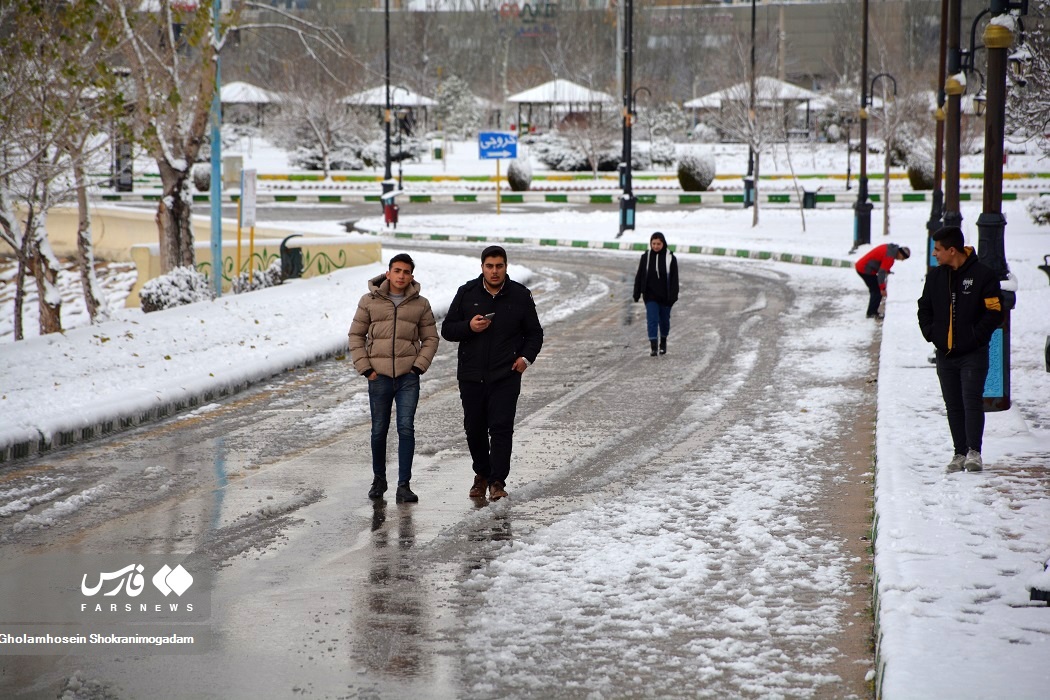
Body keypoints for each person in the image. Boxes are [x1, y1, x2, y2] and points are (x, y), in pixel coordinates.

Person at [441, 246, 543, 501]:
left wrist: (525, 359)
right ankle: (482, 475)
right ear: (482, 267)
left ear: (506, 266)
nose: (494, 271)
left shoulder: (520, 295)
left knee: (500, 428)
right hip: (471, 375)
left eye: (499, 266)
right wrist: (469, 326)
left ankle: (497, 481)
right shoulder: (467, 293)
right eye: (490, 266)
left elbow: (534, 333)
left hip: (505, 374)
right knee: (474, 429)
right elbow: (448, 330)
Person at [349, 253, 439, 503]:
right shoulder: (369, 301)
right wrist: (367, 369)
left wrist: (418, 367)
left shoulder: (420, 304)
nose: (401, 276)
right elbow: (356, 336)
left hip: (408, 378)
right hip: (379, 377)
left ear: (412, 275)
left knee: (406, 428)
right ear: (388, 273)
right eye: (397, 271)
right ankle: (379, 480)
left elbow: (430, 338)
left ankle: (404, 485)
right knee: (379, 430)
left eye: (406, 272)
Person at [917, 227, 1003, 473]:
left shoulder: (982, 275)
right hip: (945, 355)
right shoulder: (935, 277)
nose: (934, 254)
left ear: (951, 250)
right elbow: (924, 308)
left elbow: (994, 311)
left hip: (973, 353)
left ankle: (974, 452)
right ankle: (959, 453)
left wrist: (976, 337)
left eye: (937, 249)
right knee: (953, 404)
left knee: (971, 400)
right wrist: (932, 334)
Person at [632, 231, 679, 356]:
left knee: (664, 321)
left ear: (663, 243)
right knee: (652, 320)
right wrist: (636, 292)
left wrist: (673, 297)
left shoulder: (670, 258)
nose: (656, 246)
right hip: (650, 296)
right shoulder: (646, 257)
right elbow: (639, 275)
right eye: (653, 243)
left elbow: (675, 279)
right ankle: (653, 346)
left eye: (658, 244)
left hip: (666, 297)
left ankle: (663, 342)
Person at [855, 242, 910, 319]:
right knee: (876, 290)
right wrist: (882, 288)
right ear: (901, 253)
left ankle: (872, 312)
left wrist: (886, 270)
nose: (902, 260)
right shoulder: (890, 257)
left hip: (863, 266)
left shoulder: (891, 249)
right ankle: (871, 313)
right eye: (903, 258)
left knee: (876, 289)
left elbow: (881, 262)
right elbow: (881, 273)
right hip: (864, 269)